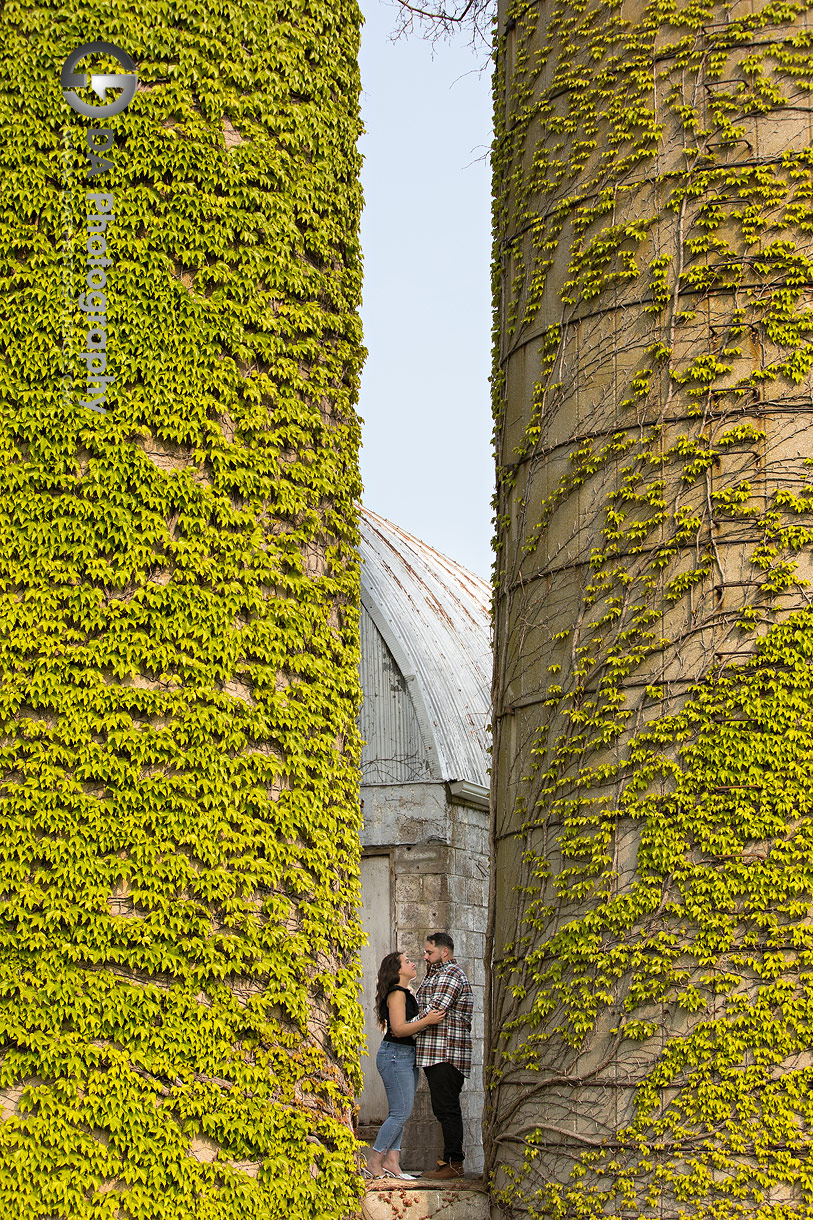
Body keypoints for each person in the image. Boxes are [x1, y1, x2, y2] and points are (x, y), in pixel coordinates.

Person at [366, 950, 445, 1179]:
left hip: (405, 1055)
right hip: (395, 1055)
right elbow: (399, 1029)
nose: (413, 964)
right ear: (398, 969)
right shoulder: (397, 994)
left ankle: (392, 1161)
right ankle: (375, 1161)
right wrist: (427, 1020)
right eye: (407, 961)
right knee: (400, 1113)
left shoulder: (405, 993)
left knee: (400, 1112)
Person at [413, 931, 473, 1180]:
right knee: (442, 1107)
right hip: (434, 1052)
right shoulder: (437, 974)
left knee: (447, 1108)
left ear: (444, 952)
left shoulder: (450, 974)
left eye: (429, 952)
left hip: (446, 1052)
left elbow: (435, 1011)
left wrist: (403, 1028)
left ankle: (454, 1163)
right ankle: (448, 1161)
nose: (425, 957)